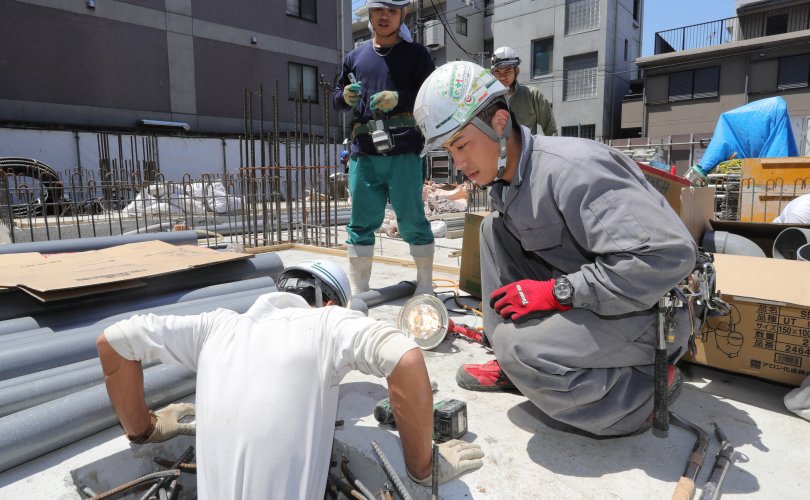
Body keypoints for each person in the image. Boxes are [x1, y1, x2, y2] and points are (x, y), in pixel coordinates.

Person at [413, 61, 699, 437]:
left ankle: (642, 392)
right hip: (607, 305)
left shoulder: (573, 171)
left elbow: (669, 256)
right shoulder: (512, 180)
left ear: (499, 123)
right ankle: (514, 363)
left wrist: (556, 293)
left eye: (462, 145)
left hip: (651, 315)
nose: (459, 163)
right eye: (450, 150)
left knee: (521, 350)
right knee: (492, 230)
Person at [96, 259, 484, 498]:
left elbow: (113, 342)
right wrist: (423, 468)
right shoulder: (329, 323)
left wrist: (145, 428)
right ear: (331, 303)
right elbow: (406, 358)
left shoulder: (216, 325)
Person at [332, 0, 436, 296]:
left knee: (412, 219)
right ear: (370, 14)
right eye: (379, 10)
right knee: (361, 222)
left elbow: (430, 96)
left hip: (404, 151)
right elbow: (337, 96)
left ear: (402, 13)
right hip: (365, 154)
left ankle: (425, 285)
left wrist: (399, 98)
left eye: (392, 10)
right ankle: (360, 290)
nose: (385, 16)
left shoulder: (417, 55)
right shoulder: (354, 58)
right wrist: (345, 98)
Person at [490, 46, 557, 137]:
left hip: (528, 150)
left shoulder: (532, 95)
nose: (502, 77)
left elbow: (550, 129)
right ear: (493, 74)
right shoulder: (488, 101)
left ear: (516, 71)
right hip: (497, 150)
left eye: (507, 71)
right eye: (498, 72)